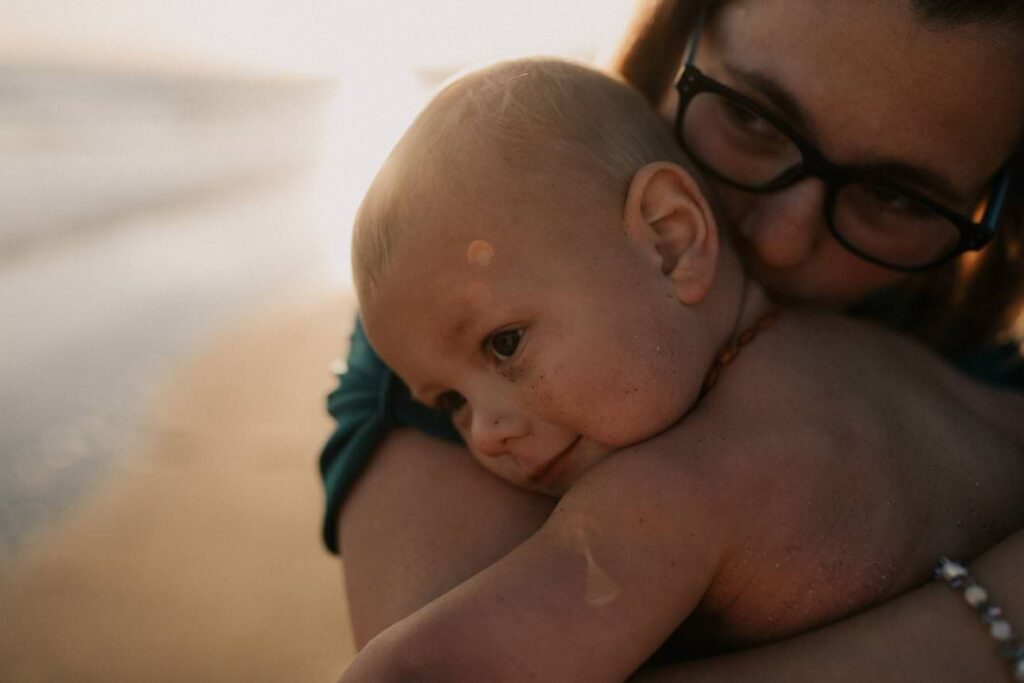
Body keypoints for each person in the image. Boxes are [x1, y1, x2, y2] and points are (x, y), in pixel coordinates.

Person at [323, 0, 1024, 679]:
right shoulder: (451, 296)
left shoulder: (661, 501)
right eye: (751, 117)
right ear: (681, 34)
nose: (777, 242)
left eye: (896, 198)